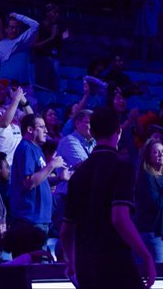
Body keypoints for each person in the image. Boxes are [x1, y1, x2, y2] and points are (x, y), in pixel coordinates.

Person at [61, 107, 156, 289]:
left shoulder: (79, 173)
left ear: (93, 132)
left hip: (85, 265)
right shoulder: (122, 166)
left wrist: (71, 261)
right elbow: (119, 218)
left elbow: (66, 229)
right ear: (118, 131)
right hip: (114, 262)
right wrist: (145, 255)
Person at [9, 114, 65, 234]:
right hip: (29, 218)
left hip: (39, 218)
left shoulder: (36, 149)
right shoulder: (26, 148)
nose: (46, 130)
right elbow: (29, 182)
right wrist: (51, 165)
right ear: (30, 129)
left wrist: (60, 178)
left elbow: (41, 180)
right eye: (42, 127)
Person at [0, 13, 39, 85]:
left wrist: (17, 16)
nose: (14, 30)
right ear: (6, 29)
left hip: (23, 87)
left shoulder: (24, 41)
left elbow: (35, 25)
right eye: (11, 27)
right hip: (5, 87)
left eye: (17, 27)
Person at [136, 138, 163, 264]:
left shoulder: (160, 176)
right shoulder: (147, 176)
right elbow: (154, 203)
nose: (161, 154)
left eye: (162, 151)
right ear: (148, 156)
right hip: (152, 233)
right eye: (156, 152)